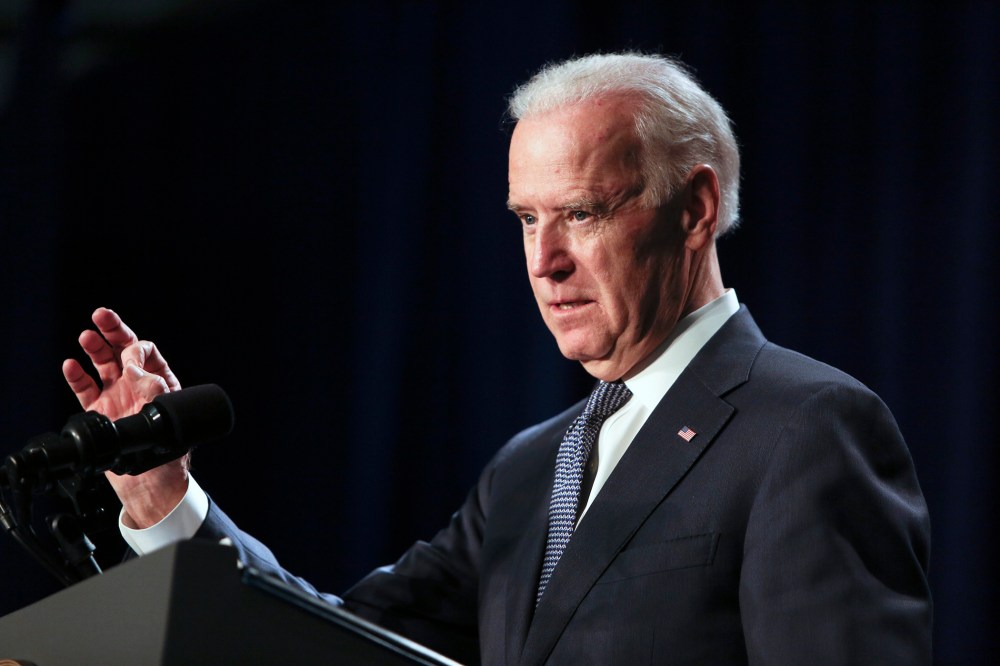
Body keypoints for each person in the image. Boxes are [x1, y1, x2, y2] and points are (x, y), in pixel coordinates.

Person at [62, 52, 932, 664]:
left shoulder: (804, 429)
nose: (544, 261)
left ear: (696, 208)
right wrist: (165, 499)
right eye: (526, 219)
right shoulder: (530, 469)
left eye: (582, 213)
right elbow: (329, 646)